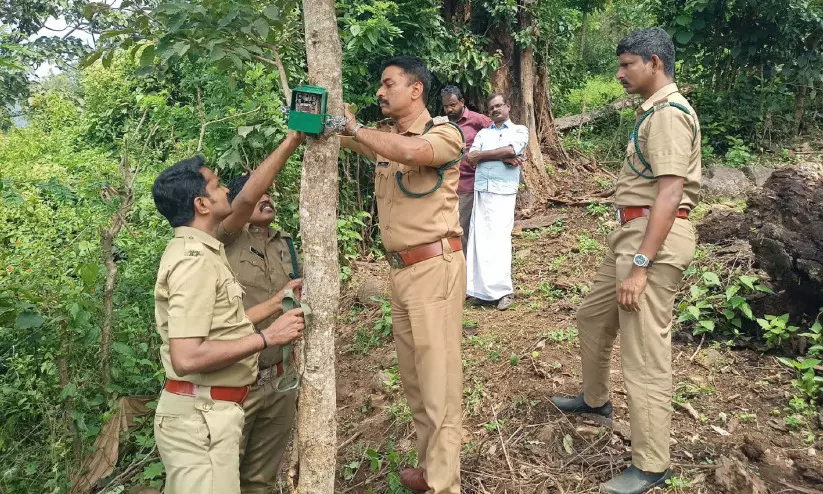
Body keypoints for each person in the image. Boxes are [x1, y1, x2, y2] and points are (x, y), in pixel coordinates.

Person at [550, 27, 701, 494]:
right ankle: (596, 401)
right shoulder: (653, 113)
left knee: (644, 355)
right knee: (593, 317)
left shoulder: (670, 115)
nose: (619, 74)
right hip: (629, 233)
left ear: (654, 63)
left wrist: (640, 265)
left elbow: (671, 191)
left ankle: (652, 462)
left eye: (626, 65)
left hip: (650, 241)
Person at [340, 56, 465, 494]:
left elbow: (413, 153)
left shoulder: (442, 133)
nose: (380, 91)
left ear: (415, 90)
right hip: (401, 274)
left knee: (439, 381)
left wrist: (354, 129)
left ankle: (445, 484)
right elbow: (355, 140)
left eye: (388, 83)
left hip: (434, 267)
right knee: (415, 379)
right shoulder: (386, 140)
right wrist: (341, 122)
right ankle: (431, 470)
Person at [151, 155, 306, 494]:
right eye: (217, 185)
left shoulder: (205, 253)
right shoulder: (194, 262)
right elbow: (187, 358)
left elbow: (223, 328)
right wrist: (267, 338)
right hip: (200, 416)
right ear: (201, 203)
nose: (226, 191)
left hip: (214, 412)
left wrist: (277, 301)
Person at [214, 132, 305, 493]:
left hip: (280, 381)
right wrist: (291, 141)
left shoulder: (285, 244)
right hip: (237, 384)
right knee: (220, 482)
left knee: (260, 483)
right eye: (258, 194)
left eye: (270, 195)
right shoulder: (226, 239)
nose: (266, 198)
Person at [465, 93, 528, 311]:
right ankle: (481, 292)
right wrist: (502, 157)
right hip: (482, 190)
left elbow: (513, 149)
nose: (495, 110)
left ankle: (503, 291)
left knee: (500, 241)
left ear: (508, 107)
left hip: (503, 192)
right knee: (480, 240)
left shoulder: (519, 130)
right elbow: (471, 157)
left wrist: (493, 154)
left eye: (499, 105)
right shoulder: (483, 133)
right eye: (491, 107)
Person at [441, 85, 492, 253]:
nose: (449, 109)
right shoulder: (443, 124)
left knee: (463, 228)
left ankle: (466, 269)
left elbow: (499, 135)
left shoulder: (478, 120)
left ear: (462, 102)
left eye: (453, 105)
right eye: (446, 106)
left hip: (469, 184)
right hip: (447, 185)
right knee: (449, 227)